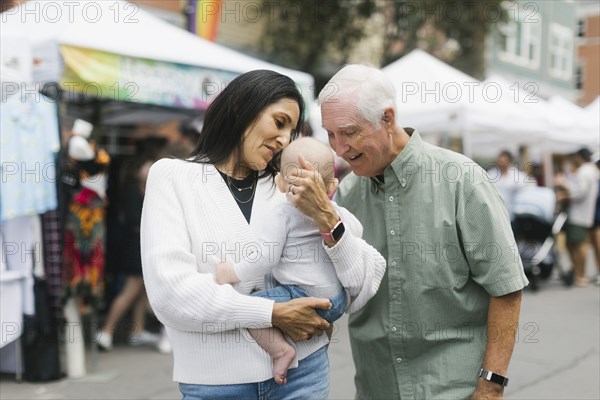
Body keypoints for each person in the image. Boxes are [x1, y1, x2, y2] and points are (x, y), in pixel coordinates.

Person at [141, 70, 386, 399]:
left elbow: (361, 286)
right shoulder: (173, 177)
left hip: (304, 373)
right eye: (280, 122)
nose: (285, 140)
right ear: (243, 108)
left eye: (292, 131)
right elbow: (170, 295)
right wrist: (271, 313)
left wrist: (328, 219)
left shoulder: (292, 185)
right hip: (217, 384)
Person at [313, 65, 528, 400]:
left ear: (387, 118)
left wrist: (491, 386)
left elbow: (506, 288)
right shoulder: (346, 196)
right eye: (330, 134)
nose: (338, 148)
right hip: (375, 388)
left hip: (455, 389)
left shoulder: (461, 180)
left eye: (349, 132)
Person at [215, 137, 385, 385]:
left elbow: (265, 258)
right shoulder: (336, 212)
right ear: (332, 186)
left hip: (301, 296)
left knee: (249, 309)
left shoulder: (283, 214)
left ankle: (281, 351)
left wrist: (231, 271)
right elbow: (354, 232)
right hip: (335, 300)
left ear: (280, 183)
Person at [97, 157, 171, 353]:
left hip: (145, 245)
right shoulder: (132, 191)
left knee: (142, 289)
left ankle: (137, 331)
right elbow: (134, 220)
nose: (149, 167)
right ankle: (106, 331)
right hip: (135, 247)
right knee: (131, 290)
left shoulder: (152, 192)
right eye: (146, 165)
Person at [554, 148, 600, 287]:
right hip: (584, 214)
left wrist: (564, 186)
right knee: (574, 243)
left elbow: (580, 192)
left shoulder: (585, 171)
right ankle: (579, 273)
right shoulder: (591, 171)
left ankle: (580, 275)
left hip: (579, 214)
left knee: (579, 244)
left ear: (579, 157)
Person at [487, 150, 535, 221]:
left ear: (509, 162)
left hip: (512, 214)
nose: (501, 164)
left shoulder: (517, 176)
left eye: (504, 162)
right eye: (500, 161)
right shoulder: (491, 174)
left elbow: (529, 186)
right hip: (495, 211)